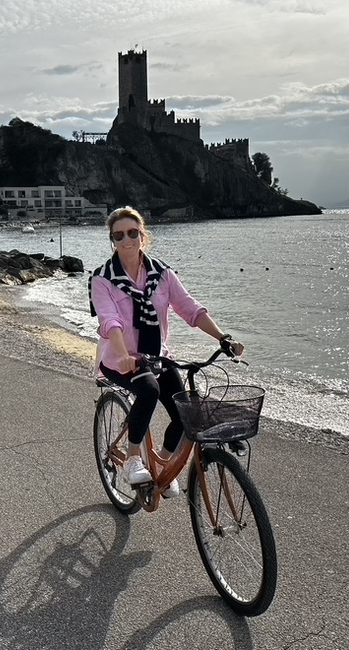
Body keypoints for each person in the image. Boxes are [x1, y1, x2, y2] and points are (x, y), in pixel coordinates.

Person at [89, 206, 244, 497]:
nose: (126, 240)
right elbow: (110, 321)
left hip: (157, 356)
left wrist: (223, 338)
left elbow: (191, 309)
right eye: (118, 235)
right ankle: (132, 459)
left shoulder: (162, 274)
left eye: (132, 233)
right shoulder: (102, 279)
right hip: (120, 359)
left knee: (185, 413)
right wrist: (123, 355)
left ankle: (161, 464)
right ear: (112, 241)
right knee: (149, 390)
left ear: (142, 236)